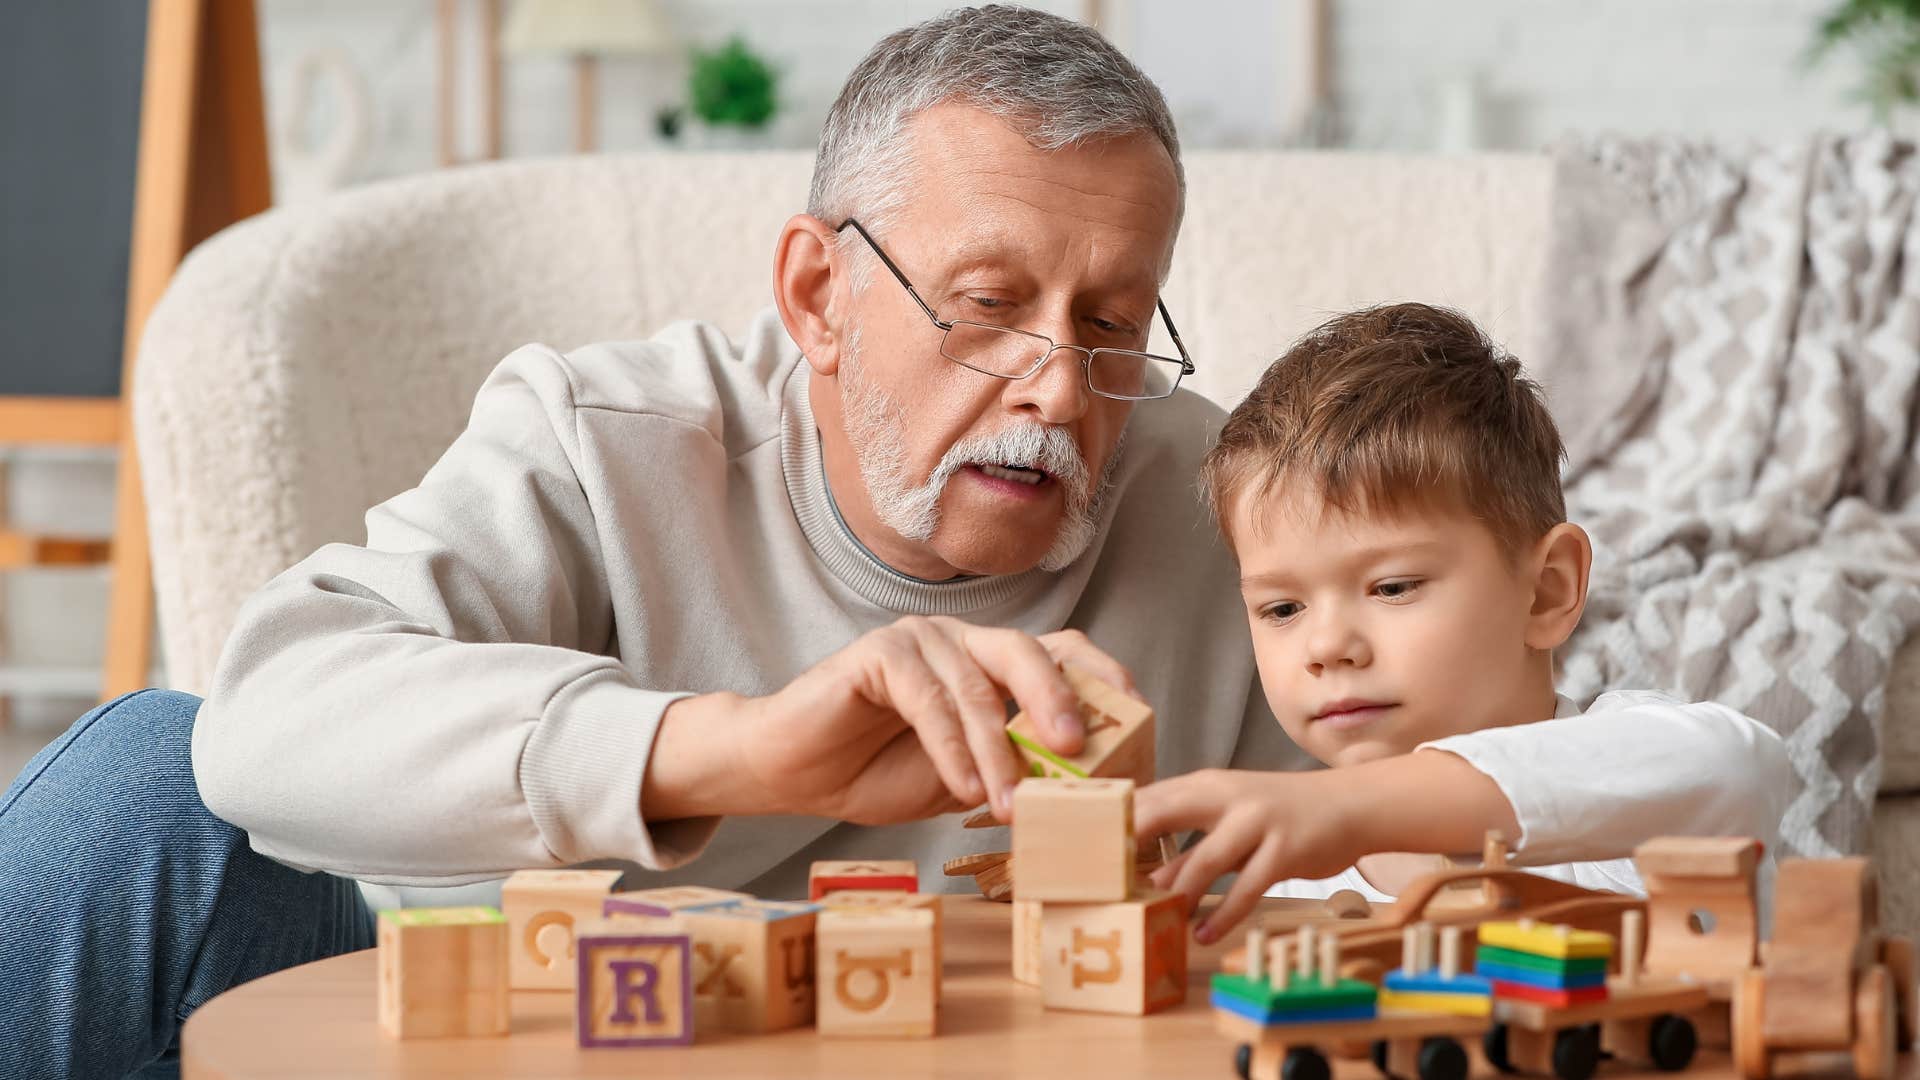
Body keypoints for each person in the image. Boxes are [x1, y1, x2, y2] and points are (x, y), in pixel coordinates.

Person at [0, 10, 1784, 1078]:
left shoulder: (1243, 511)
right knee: (143, 784)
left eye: (1111, 320)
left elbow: (1583, 768)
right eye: (989, 304)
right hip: (608, 1045)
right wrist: (731, 750)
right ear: (815, 293)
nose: (1053, 390)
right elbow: (263, 723)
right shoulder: (614, 434)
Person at [1135, 302, 1789, 941]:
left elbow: (1738, 762)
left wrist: (1340, 808)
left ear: (1546, 593)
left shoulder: (1641, 778)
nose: (1326, 646)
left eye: (1392, 586)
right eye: (1282, 608)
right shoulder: (1287, 886)